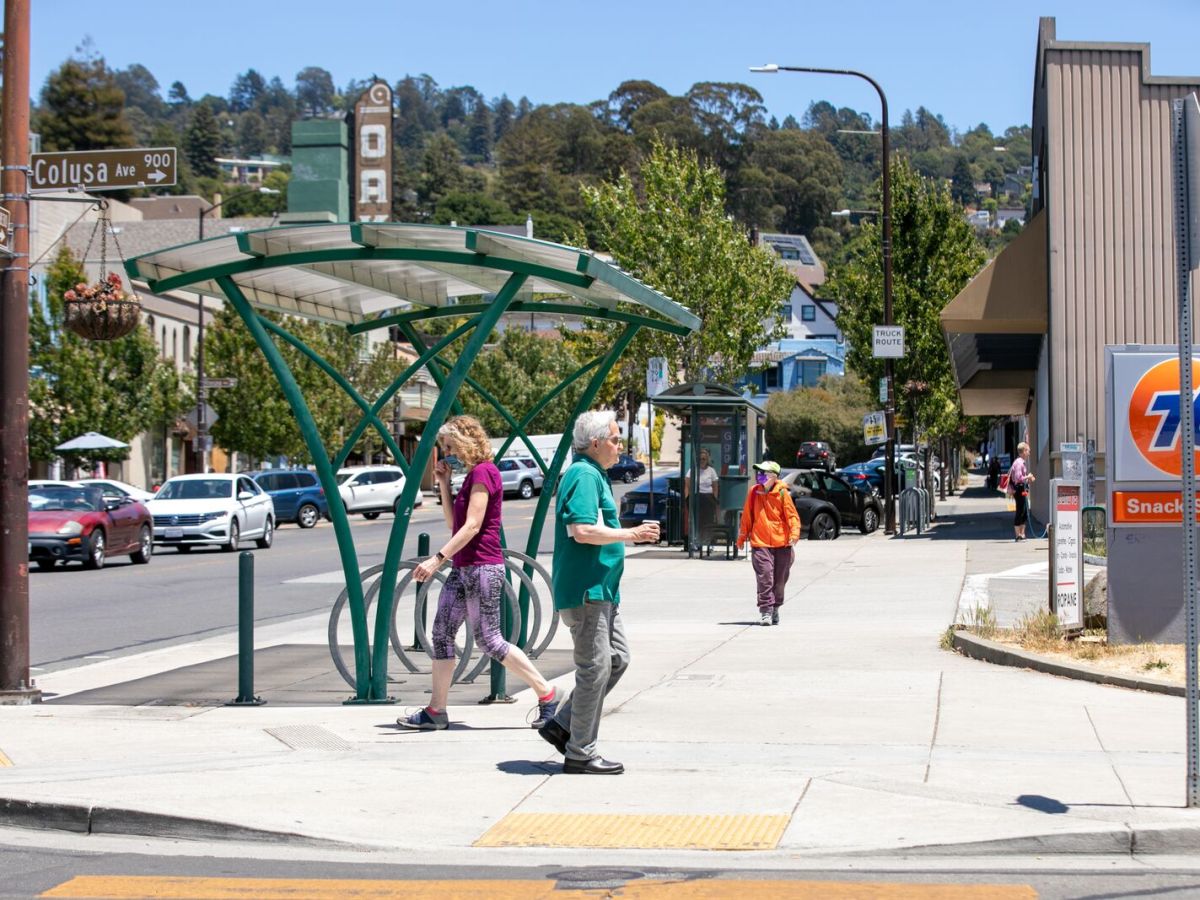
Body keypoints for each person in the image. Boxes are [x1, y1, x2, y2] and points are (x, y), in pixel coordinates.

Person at [398, 415, 559, 732]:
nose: (447, 453)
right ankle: (436, 711)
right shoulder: (471, 476)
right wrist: (444, 485)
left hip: (483, 568)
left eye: (449, 446)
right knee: (442, 634)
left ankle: (548, 694)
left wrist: (436, 560)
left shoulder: (485, 472)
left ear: (465, 441)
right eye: (445, 448)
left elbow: (473, 526)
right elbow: (453, 525)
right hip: (463, 568)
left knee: (489, 640)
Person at [537, 410, 659, 774]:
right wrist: (631, 535)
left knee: (616, 659)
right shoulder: (583, 474)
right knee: (594, 669)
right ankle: (580, 752)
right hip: (587, 591)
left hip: (603, 591)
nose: (620, 445)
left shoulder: (595, 475)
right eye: (615, 439)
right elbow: (582, 530)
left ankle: (563, 724)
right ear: (595, 443)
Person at [737, 460, 801, 626]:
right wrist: (742, 536)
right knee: (765, 576)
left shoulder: (782, 493)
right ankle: (765, 610)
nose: (760, 475)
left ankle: (775, 607)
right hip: (760, 543)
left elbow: (792, 516)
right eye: (759, 472)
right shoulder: (753, 492)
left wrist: (794, 533)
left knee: (779, 580)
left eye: (764, 473)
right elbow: (747, 516)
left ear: (774, 476)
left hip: (782, 544)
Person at [684, 449, 720, 548]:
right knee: (697, 520)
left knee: (708, 520)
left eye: (704, 459)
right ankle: (696, 541)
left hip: (708, 498)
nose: (702, 461)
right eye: (700, 459)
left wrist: (715, 499)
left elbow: (715, 486)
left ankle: (708, 541)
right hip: (696, 497)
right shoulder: (692, 470)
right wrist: (687, 497)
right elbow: (687, 483)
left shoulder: (711, 471)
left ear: (707, 459)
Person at [1007, 442, 1036, 541]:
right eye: (1028, 450)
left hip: (1022, 488)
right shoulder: (1019, 463)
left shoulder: (1020, 462)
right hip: (1019, 489)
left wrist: (1028, 479)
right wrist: (1028, 476)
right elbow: (1018, 478)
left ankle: (1022, 534)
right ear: (1023, 451)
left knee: (1024, 511)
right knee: (1020, 510)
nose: (1029, 452)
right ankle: (1018, 535)